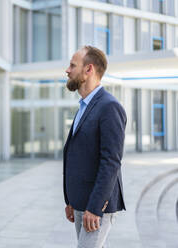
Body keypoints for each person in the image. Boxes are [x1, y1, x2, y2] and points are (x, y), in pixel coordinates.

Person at [63, 46, 126, 248]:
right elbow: (79, 155)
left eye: (73, 65)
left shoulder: (109, 106)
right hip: (80, 202)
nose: (67, 70)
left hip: (96, 206)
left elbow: (111, 161)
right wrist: (71, 200)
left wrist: (95, 206)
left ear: (89, 69)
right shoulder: (84, 106)